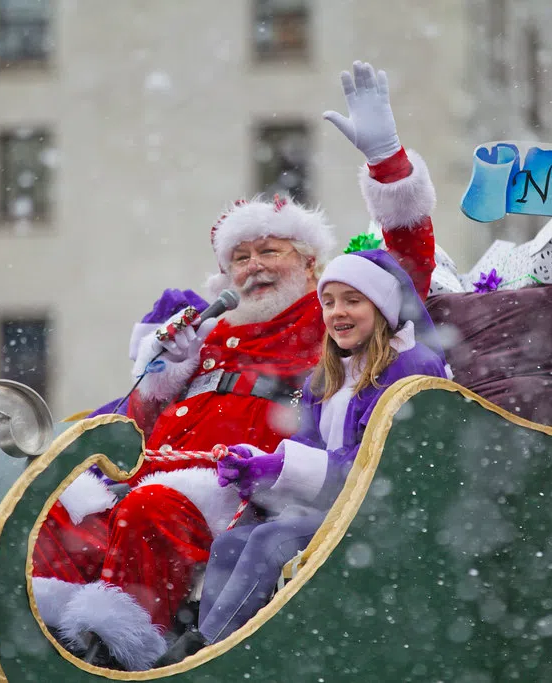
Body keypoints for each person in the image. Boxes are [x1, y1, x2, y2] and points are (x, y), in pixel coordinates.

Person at [40, 62, 446, 671]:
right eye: (240, 257)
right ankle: (51, 641)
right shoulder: (206, 330)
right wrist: (149, 383)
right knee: (56, 509)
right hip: (148, 470)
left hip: (234, 487)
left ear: (309, 264)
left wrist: (388, 163)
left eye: (269, 252)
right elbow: (126, 419)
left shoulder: (326, 311)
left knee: (153, 510)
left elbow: (405, 268)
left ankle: (123, 655)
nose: (253, 266)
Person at [153, 249, 450, 667]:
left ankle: (207, 653)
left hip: (384, 519)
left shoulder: (411, 369)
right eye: (328, 302)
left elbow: (377, 469)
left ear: (381, 306)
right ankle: (220, 649)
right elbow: (310, 447)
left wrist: (280, 468)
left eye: (352, 300)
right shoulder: (327, 374)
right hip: (333, 511)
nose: (337, 313)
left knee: (268, 541)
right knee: (230, 544)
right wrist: (254, 467)